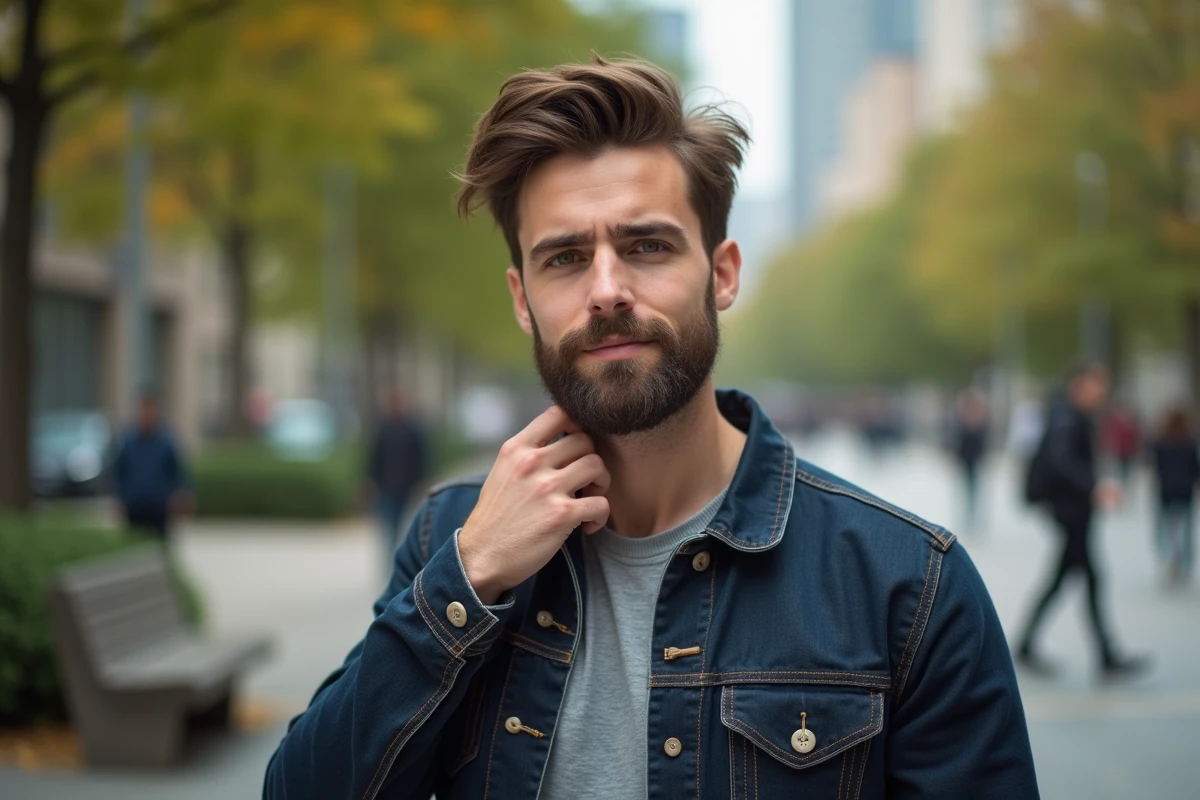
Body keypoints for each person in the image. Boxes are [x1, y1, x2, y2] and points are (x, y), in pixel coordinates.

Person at [265, 57, 1037, 800]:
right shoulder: (451, 541)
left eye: (647, 246)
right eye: (565, 257)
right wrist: (466, 582)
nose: (607, 290)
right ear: (522, 299)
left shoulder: (908, 586)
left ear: (723, 271)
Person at [1016, 362, 1149, 679]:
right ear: (1079, 384)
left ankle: (1028, 645)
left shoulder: (1067, 412)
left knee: (1071, 579)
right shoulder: (1066, 415)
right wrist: (1095, 487)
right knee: (1089, 579)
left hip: (1072, 511)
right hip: (1070, 511)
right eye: (1096, 385)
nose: (1101, 393)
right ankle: (1105, 655)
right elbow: (1060, 462)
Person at [113, 392, 191, 542]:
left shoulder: (166, 442)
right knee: (133, 545)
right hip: (134, 506)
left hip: (159, 507)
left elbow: (178, 472)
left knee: (160, 545)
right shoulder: (128, 442)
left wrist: (182, 495)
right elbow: (119, 473)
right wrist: (119, 499)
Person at [365, 387, 431, 564]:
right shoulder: (383, 426)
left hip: (406, 485)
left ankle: (399, 560)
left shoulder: (413, 428)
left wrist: (422, 482)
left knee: (403, 525)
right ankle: (392, 561)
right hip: (386, 485)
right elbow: (373, 457)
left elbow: (422, 457)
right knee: (389, 526)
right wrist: (369, 481)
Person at [1149, 405, 1199, 584]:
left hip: (1167, 490)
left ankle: (1169, 558)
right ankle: (1183, 562)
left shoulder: (1160, 442)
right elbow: (1195, 469)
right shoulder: (1190, 443)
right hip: (1185, 490)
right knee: (1185, 528)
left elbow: (1156, 467)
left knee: (1166, 527)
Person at [949, 387, 989, 534]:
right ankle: (968, 516)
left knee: (975, 488)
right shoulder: (961, 420)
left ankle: (974, 516)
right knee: (966, 488)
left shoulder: (980, 420)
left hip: (975, 458)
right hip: (965, 458)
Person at [1102, 401, 1141, 487]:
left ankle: (1126, 482)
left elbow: (1135, 437)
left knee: (1127, 468)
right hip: (1120, 450)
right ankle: (1123, 482)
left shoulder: (1131, 423)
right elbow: (1112, 435)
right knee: (1121, 467)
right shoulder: (1116, 422)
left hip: (1129, 450)